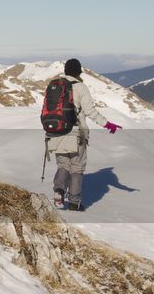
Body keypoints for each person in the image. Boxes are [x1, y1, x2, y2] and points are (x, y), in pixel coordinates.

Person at [46, 58, 121, 211]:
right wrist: (107, 124)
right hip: (76, 134)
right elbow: (90, 112)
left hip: (55, 133)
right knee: (76, 169)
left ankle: (59, 191)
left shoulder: (54, 86)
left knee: (63, 165)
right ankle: (74, 203)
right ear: (78, 72)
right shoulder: (80, 87)